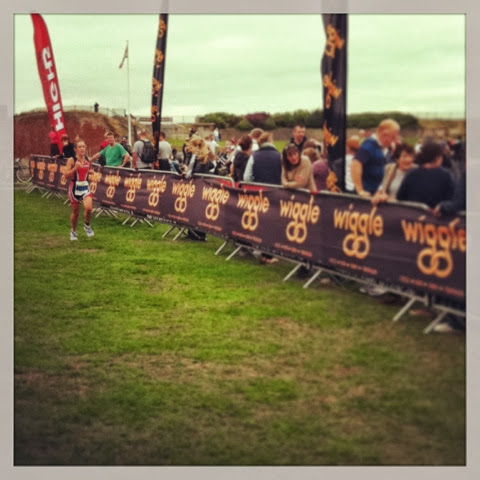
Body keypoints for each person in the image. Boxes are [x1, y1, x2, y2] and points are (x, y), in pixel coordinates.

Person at [350, 119, 400, 197]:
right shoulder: (369, 145)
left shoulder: (384, 148)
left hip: (376, 195)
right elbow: (356, 164)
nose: (395, 140)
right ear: (384, 134)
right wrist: (360, 190)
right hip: (366, 196)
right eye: (393, 137)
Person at [396, 141, 455, 208]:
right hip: (435, 213)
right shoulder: (446, 176)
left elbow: (400, 197)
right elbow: (452, 200)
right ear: (438, 157)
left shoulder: (411, 174)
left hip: (412, 212)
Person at [184, 136, 215, 241]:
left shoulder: (202, 158)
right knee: (193, 209)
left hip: (201, 187)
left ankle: (200, 234)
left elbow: (199, 170)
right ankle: (192, 232)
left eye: (191, 146)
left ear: (197, 146)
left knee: (199, 210)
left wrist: (189, 170)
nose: (190, 149)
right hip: (196, 186)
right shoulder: (194, 157)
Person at [64, 139, 94, 241]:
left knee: (89, 208)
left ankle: (87, 225)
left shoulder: (88, 159)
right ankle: (73, 231)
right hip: (74, 188)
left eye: (83, 147)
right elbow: (65, 175)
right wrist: (75, 168)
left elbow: (88, 169)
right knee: (76, 212)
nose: (82, 149)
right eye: (80, 147)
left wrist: (90, 172)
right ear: (76, 149)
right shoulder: (72, 160)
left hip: (85, 186)